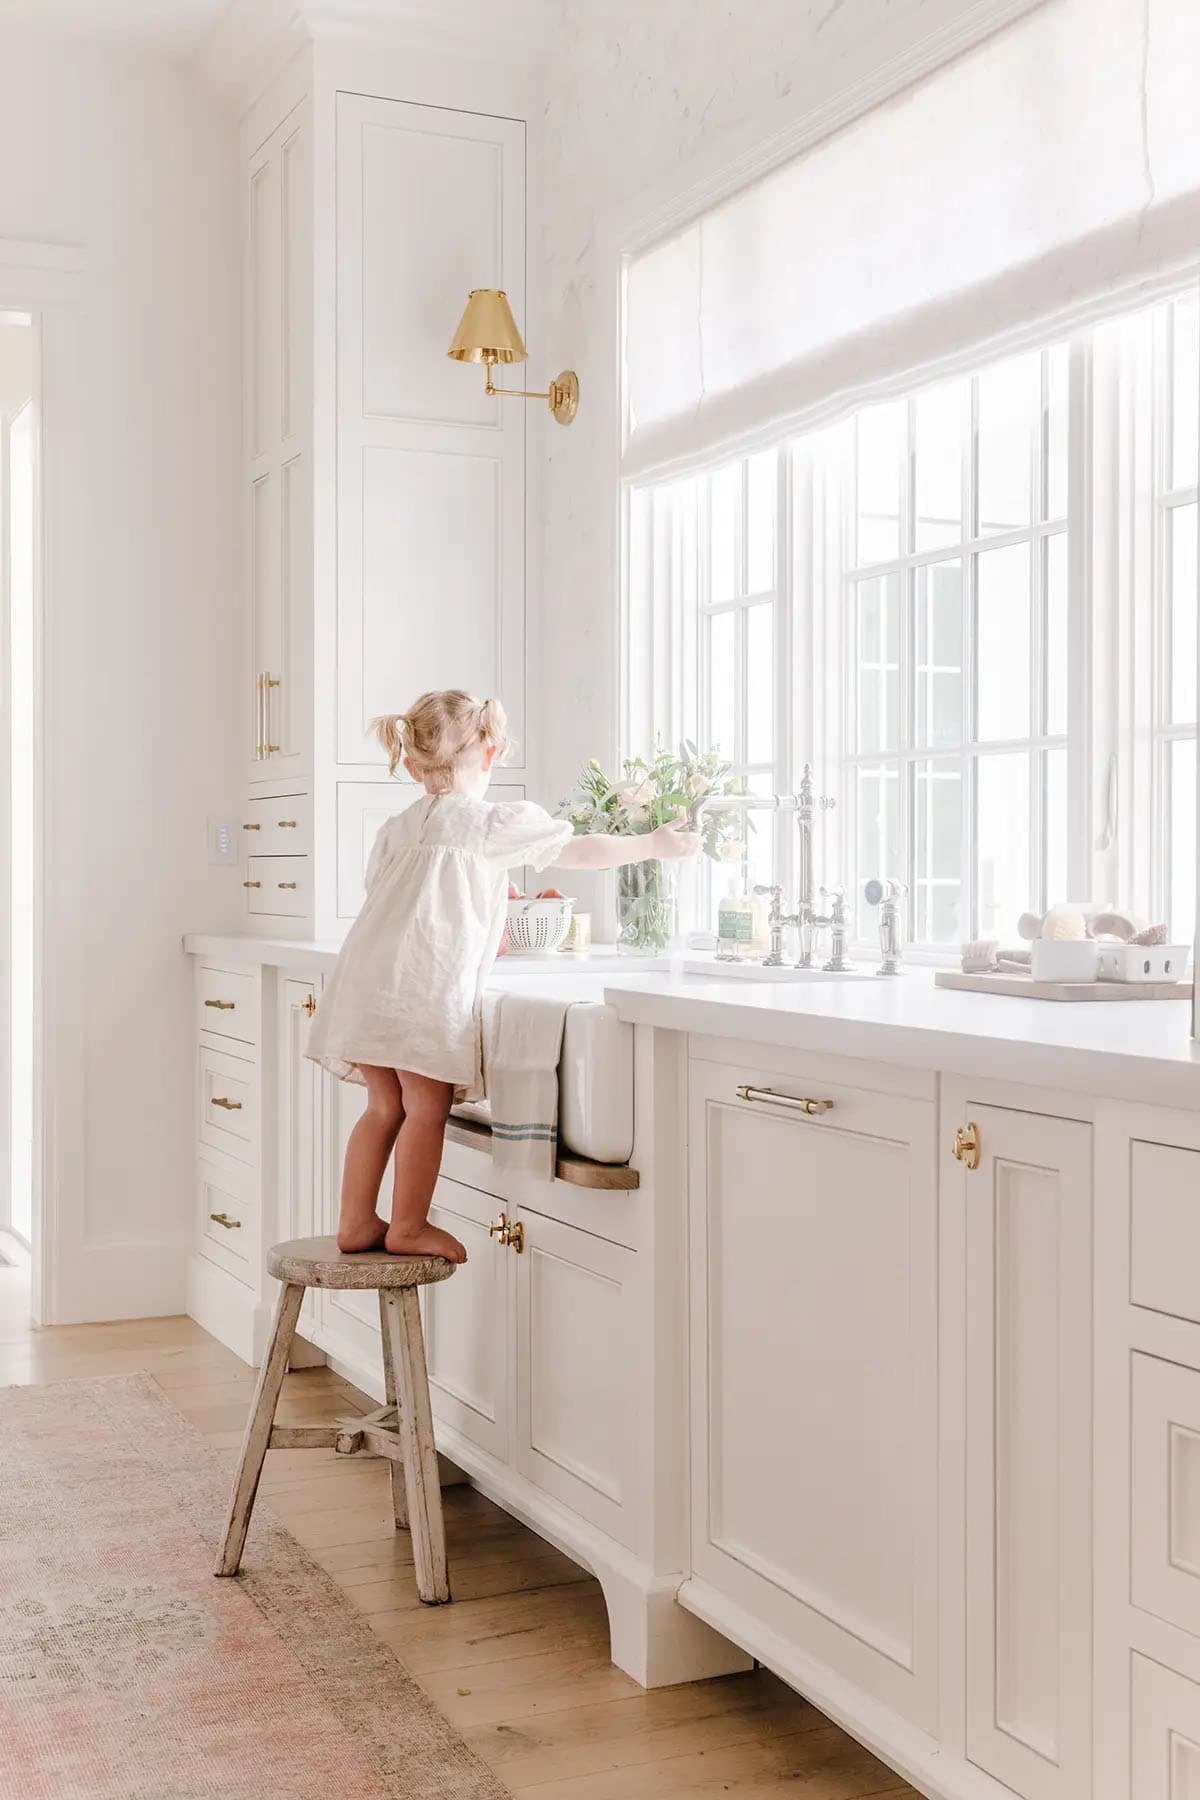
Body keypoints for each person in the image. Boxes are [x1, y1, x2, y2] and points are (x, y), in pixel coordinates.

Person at [306, 689, 700, 1262]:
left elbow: (393, 897)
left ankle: (356, 1219)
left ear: (413, 766)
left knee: (382, 1106)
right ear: (490, 753)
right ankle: (408, 1226)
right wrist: (652, 844)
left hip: (365, 981)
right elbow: (581, 850)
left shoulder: (396, 827)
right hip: (421, 988)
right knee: (426, 1107)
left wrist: (483, 896)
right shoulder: (488, 823)